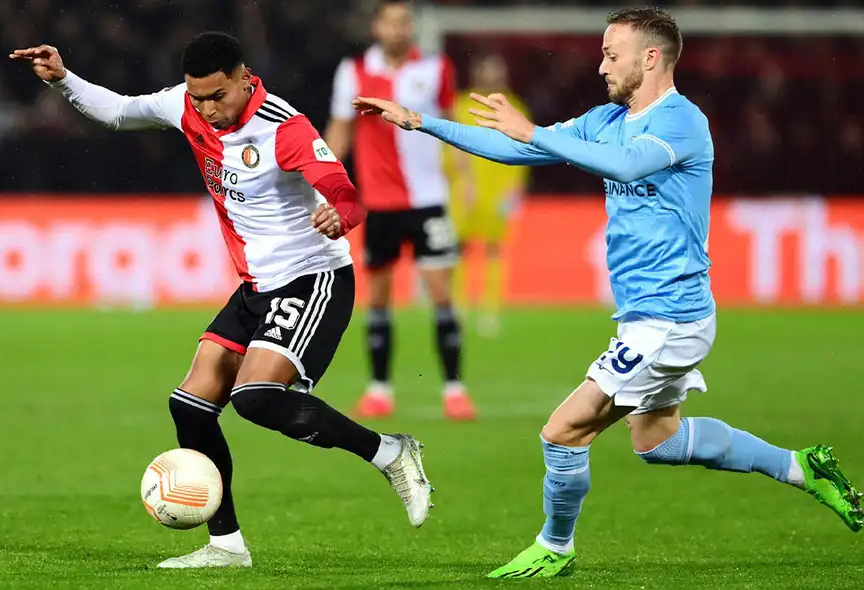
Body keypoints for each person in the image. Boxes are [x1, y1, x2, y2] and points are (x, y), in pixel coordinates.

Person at [353, 6, 862, 579]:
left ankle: (555, 546)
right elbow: (517, 149)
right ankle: (800, 467)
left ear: (650, 58)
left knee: (562, 430)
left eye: (610, 55)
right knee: (658, 439)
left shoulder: (682, 122)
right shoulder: (605, 119)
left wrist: (538, 133)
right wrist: (421, 122)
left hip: (670, 319)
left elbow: (626, 162)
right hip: (648, 318)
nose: (600, 67)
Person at [11, 31, 433, 570]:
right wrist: (65, 80)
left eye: (218, 96)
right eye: (198, 96)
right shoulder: (186, 105)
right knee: (188, 406)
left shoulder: (284, 127)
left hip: (313, 278)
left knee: (255, 398)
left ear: (244, 78)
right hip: (257, 286)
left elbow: (344, 191)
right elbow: (117, 111)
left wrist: (338, 215)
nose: (208, 108)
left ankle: (390, 452)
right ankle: (227, 546)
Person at [325, 0, 476, 421]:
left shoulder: (435, 68)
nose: (399, 28)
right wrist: (320, 179)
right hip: (380, 205)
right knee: (378, 298)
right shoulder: (353, 72)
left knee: (442, 295)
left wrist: (464, 178)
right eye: (391, 21)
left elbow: (451, 124)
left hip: (430, 199)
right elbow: (341, 128)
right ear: (376, 26)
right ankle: (379, 390)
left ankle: (454, 390)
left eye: (405, 21)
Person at [444, 54, 530, 338]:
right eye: (487, 74)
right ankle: (459, 306)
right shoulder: (461, 106)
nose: (492, 79)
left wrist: (515, 190)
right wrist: (460, 180)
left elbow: (525, 149)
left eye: (497, 74)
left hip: (498, 192)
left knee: (495, 249)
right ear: (477, 77)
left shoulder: (514, 108)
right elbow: (451, 146)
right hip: (466, 191)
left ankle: (491, 310)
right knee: (461, 249)